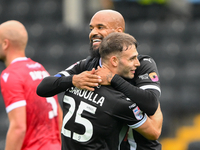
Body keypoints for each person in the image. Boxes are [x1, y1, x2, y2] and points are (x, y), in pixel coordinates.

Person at [37, 10, 163, 150]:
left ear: (118, 31)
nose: (93, 33)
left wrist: (114, 79)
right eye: (91, 28)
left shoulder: (141, 64)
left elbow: (151, 104)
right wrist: (73, 80)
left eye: (100, 27)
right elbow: (43, 87)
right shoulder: (89, 63)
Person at [0, 20, 63, 150]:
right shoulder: (40, 69)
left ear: (5, 44)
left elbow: (19, 127)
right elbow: (59, 114)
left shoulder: (10, 75)